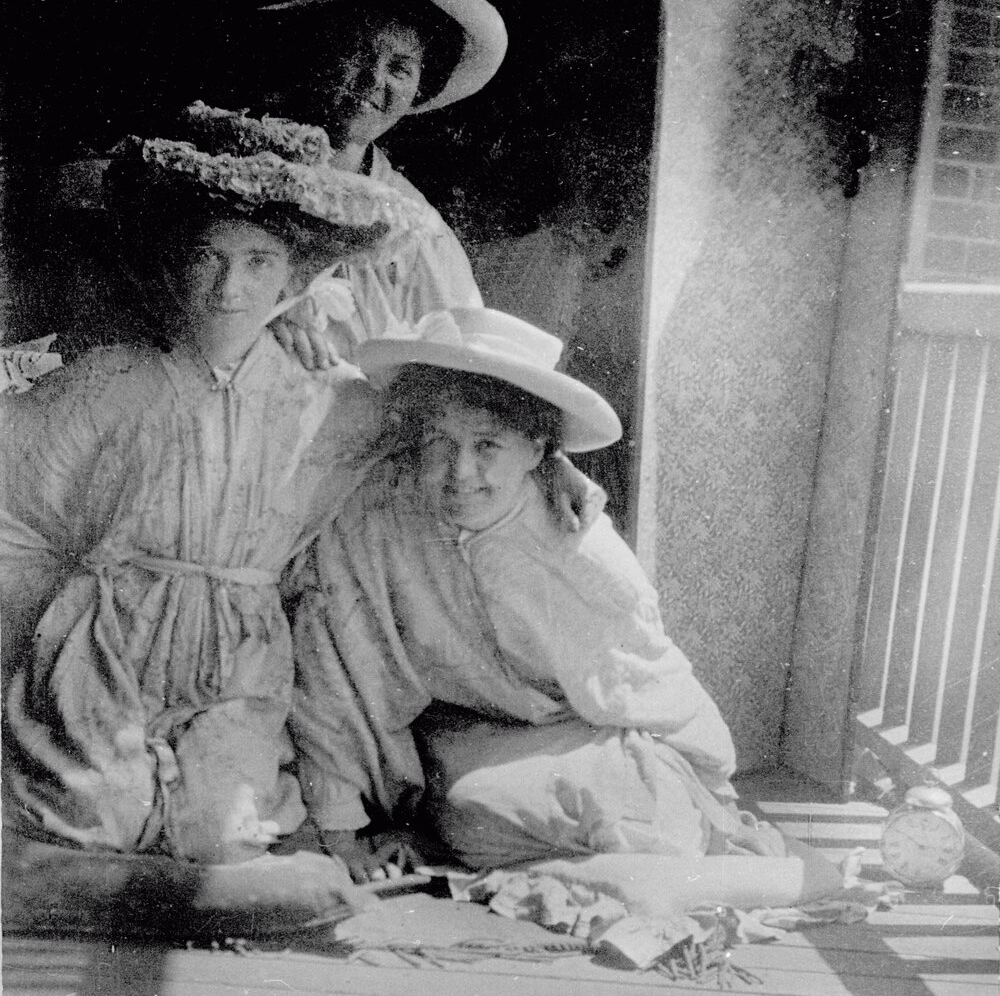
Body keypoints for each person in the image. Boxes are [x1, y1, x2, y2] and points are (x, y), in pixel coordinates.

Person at [0, 104, 425, 864]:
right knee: (94, 826)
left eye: (259, 262)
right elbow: (15, 485)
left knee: (218, 839)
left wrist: (552, 464)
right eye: (208, 255)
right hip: (107, 647)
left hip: (239, 660)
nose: (231, 287)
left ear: (295, 275)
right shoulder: (110, 381)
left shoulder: (333, 400)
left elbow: (440, 435)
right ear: (170, 260)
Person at [289, 307, 836, 893]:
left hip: (597, 735)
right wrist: (342, 829)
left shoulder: (579, 550)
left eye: (488, 445)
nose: (461, 471)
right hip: (468, 739)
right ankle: (616, 867)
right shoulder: (377, 519)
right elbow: (333, 670)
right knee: (469, 808)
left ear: (539, 450)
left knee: (609, 806)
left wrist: (697, 793)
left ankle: (662, 860)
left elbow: (656, 702)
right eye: (439, 442)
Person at [254, 0, 507, 362]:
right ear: (313, 48)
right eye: (356, 52)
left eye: (401, 68)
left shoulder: (418, 235)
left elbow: (452, 376)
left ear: (420, 87)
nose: (374, 80)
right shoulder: (234, 175)